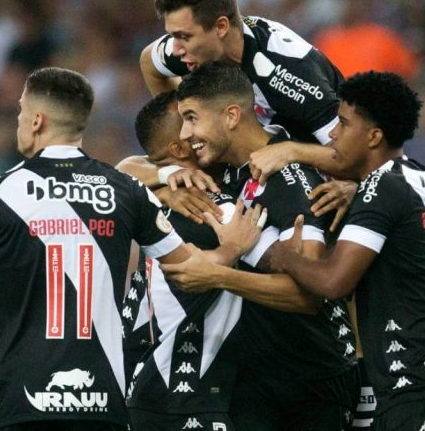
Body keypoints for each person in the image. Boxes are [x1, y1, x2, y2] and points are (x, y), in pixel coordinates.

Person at [0, 67, 265, 431]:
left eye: (20, 113)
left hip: (19, 401)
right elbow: (188, 270)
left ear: (37, 120)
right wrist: (230, 250)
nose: (18, 122)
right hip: (102, 401)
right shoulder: (124, 191)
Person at [167, 71, 425, 429]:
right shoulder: (406, 177)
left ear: (374, 136)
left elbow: (333, 282)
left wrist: (275, 254)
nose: (332, 134)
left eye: (344, 125)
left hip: (424, 383)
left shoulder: (381, 188)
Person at [163, 61, 359, 431]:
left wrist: (218, 276)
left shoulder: (290, 179)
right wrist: (165, 177)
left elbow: (306, 297)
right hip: (253, 377)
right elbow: (130, 165)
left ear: (232, 115)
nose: (186, 134)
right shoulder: (230, 170)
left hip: (311, 381)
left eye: (192, 118)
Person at [123, 89, 321, 430]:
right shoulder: (218, 209)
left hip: (138, 385)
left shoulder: (146, 196)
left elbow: (122, 169)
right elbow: (302, 288)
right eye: (187, 121)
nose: (193, 129)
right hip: (186, 396)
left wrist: (163, 177)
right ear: (179, 147)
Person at [140, 0, 353, 186]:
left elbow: (349, 154)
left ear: (221, 27)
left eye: (183, 36)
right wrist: (191, 124)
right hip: (255, 169)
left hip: (313, 180)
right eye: (172, 36)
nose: (175, 50)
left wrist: (290, 151)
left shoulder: (287, 72)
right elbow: (148, 62)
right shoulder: (192, 48)